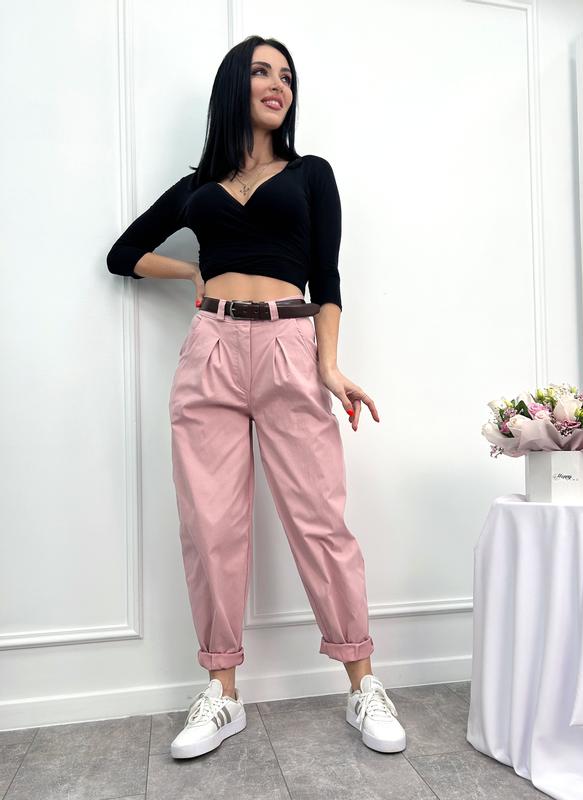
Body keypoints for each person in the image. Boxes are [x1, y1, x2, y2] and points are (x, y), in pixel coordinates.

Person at [106, 34, 405, 758]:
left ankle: (363, 683)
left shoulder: (310, 174)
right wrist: (192, 274)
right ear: (234, 85)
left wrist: (328, 366)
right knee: (210, 526)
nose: (278, 85)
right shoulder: (197, 187)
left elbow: (326, 278)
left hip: (288, 344)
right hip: (209, 348)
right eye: (263, 72)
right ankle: (223, 693)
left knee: (319, 520)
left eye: (288, 77)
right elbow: (123, 255)